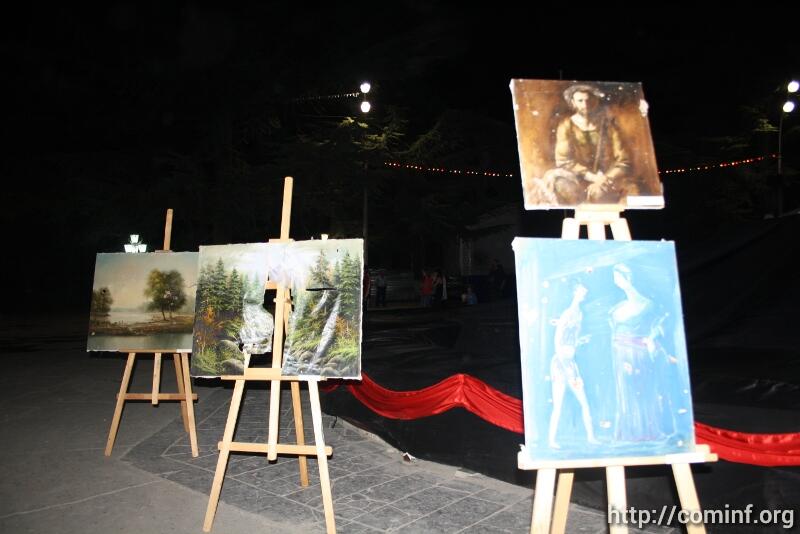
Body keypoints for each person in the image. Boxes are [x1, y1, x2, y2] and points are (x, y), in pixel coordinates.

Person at [609, 263, 669, 442]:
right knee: (625, 392)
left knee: (641, 390)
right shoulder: (619, 306)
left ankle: (646, 430)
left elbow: (658, 327)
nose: (616, 281)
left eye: (618, 277)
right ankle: (629, 431)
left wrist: (650, 340)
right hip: (620, 352)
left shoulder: (646, 304)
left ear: (628, 278)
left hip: (637, 352)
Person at [544, 84, 632, 205]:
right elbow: (564, 161)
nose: (585, 105)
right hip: (578, 178)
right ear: (573, 102)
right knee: (558, 183)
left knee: (606, 195)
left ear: (596, 101)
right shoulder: (566, 125)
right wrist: (593, 178)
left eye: (588, 100)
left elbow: (624, 160)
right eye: (580, 101)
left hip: (608, 178)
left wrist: (605, 179)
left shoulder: (608, 124)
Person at [548, 282, 599, 448]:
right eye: (582, 290)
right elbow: (557, 341)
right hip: (561, 363)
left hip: (570, 362)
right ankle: (551, 440)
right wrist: (564, 365)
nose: (584, 293)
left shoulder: (579, 314)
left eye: (585, 291)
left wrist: (581, 342)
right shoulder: (566, 314)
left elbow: (573, 339)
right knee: (558, 404)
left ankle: (591, 437)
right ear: (575, 291)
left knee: (584, 402)